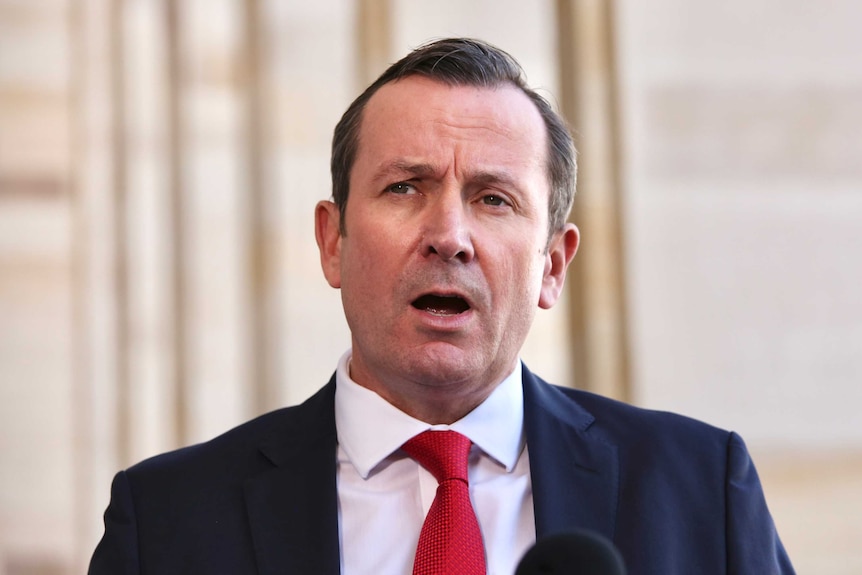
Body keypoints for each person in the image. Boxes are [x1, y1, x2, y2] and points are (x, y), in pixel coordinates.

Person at [89, 38, 795, 575]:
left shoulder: (703, 490)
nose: (449, 237)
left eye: (494, 198)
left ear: (552, 266)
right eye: (405, 188)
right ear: (332, 242)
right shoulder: (169, 521)